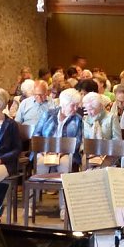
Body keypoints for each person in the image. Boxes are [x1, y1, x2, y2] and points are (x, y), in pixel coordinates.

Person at [33, 88, 84, 219]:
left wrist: (63, 151)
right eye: (73, 105)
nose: (75, 108)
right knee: (40, 164)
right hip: (46, 151)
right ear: (63, 103)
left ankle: (64, 207)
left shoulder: (78, 119)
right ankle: (31, 204)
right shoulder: (48, 114)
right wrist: (43, 149)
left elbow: (77, 140)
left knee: (64, 165)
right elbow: (37, 134)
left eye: (77, 105)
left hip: (66, 152)